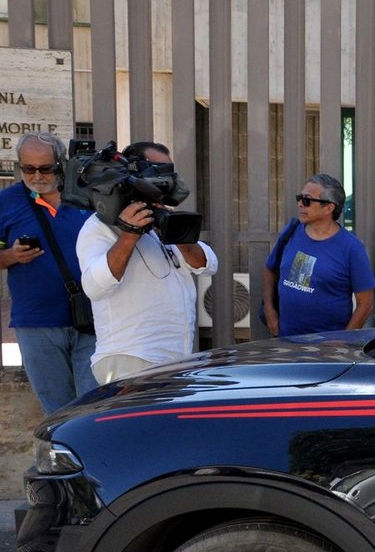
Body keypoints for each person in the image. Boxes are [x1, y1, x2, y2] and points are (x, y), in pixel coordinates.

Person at [76, 141, 218, 384]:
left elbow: (207, 264)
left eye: (169, 171)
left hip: (175, 360)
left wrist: (177, 232)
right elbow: (94, 286)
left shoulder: (161, 218)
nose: (165, 179)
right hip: (129, 361)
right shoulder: (98, 227)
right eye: (157, 170)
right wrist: (129, 233)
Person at [0, 132, 97, 412]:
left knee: (93, 406)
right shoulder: (7, 202)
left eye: (46, 168)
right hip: (37, 324)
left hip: (94, 320)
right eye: (28, 168)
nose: (37, 176)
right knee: (58, 411)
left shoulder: (86, 196)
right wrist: (11, 255)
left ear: (61, 163)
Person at [262, 174, 375, 337]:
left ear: (329, 208)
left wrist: (342, 341)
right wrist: (269, 310)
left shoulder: (351, 247)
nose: (300, 204)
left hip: (327, 351)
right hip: (286, 342)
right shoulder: (292, 231)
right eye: (299, 198)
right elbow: (270, 269)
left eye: (307, 200)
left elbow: (365, 304)